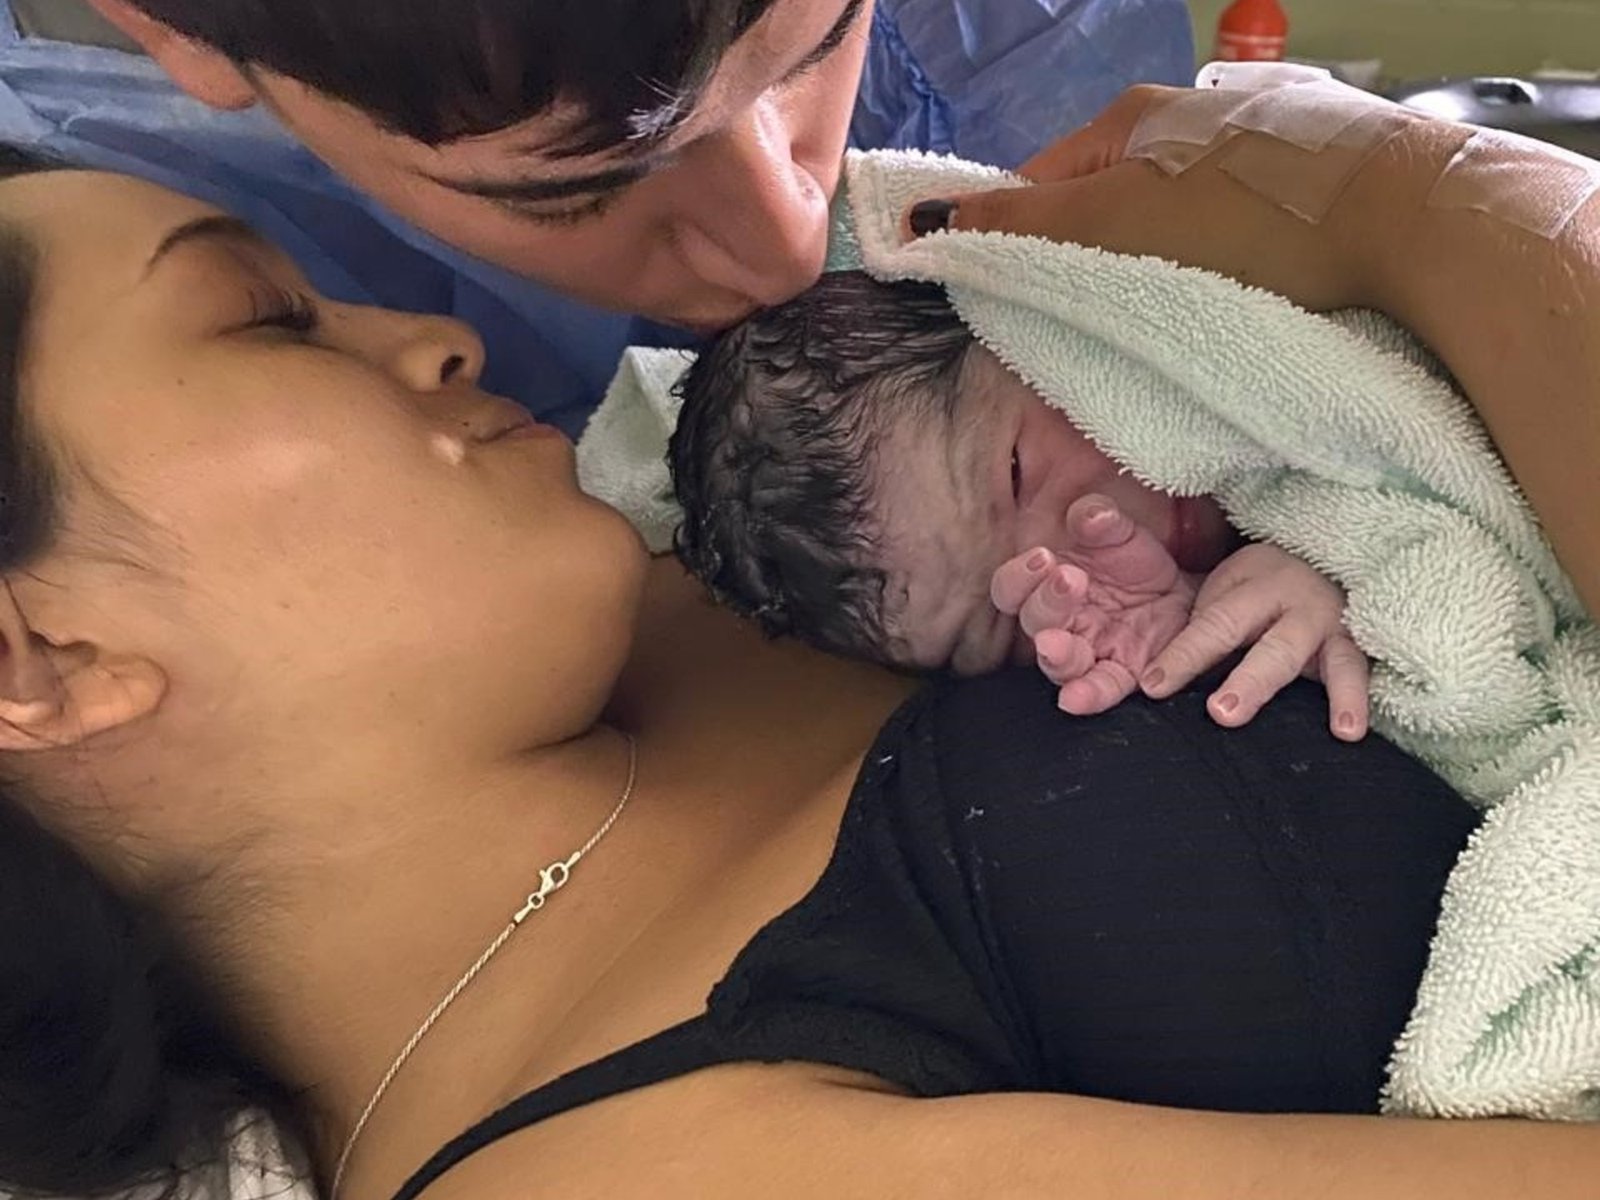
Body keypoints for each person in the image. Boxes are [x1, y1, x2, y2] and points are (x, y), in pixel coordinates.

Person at [0, 134, 1597, 1200]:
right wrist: (1429, 197)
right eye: (266, 320)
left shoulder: (683, 562)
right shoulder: (648, 1167)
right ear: (39, 659)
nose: (434, 336)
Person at [0, 0, 1194, 431]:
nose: (786, 246)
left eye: (819, 45)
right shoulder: (79, 237)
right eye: (572, 191)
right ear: (166, 25)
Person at [669, 270, 1370, 735]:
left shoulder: (1257, 306)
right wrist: (1328, 584)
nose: (1076, 563)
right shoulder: (1134, 660)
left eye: (1016, 474)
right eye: (1004, 629)